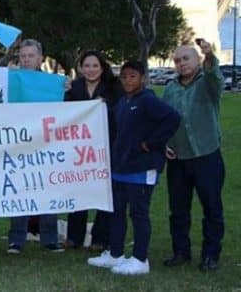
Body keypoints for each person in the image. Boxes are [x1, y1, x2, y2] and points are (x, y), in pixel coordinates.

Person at [88, 60, 180, 275]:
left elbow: (173, 118)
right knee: (117, 212)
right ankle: (115, 254)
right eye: (125, 76)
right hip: (122, 167)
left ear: (143, 78)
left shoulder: (148, 100)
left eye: (133, 76)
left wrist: (153, 143)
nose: (128, 80)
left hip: (142, 168)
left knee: (138, 213)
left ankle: (140, 259)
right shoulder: (123, 102)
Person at [162, 40, 226, 271]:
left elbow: (215, 76)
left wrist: (210, 55)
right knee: (178, 210)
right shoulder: (170, 88)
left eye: (186, 59)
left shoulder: (208, 83)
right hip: (178, 159)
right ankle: (181, 252)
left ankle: (211, 255)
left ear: (197, 60)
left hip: (207, 155)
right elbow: (164, 120)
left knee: (212, 208)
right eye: (177, 60)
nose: (181, 64)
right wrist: (164, 144)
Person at [7, 39, 65, 254]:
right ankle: (16, 240)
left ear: (41, 58)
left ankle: (49, 238)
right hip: (17, 144)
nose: (26, 60)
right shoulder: (9, 81)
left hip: (45, 145)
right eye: (22, 56)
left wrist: (65, 86)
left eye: (30, 56)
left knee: (47, 189)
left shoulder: (53, 83)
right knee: (18, 191)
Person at [64, 50, 121, 250]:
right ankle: (74, 237)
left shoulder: (114, 87)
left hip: (106, 147)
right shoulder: (74, 88)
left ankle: (99, 238)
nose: (90, 70)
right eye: (86, 66)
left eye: (95, 65)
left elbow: (119, 114)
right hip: (79, 150)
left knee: (104, 193)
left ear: (102, 67)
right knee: (78, 190)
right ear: (81, 68)